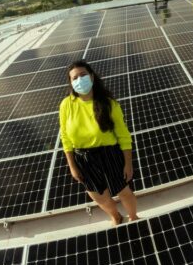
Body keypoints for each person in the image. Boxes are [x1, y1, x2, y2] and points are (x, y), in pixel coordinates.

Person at [59, 61, 138, 225]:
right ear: (71, 83)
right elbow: (65, 137)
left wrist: (128, 164)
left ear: (92, 77)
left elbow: (123, 136)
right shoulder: (66, 105)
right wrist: (72, 166)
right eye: (75, 78)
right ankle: (116, 216)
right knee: (98, 196)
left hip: (109, 153)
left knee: (124, 191)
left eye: (83, 75)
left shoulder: (109, 104)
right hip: (83, 158)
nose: (79, 80)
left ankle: (133, 217)